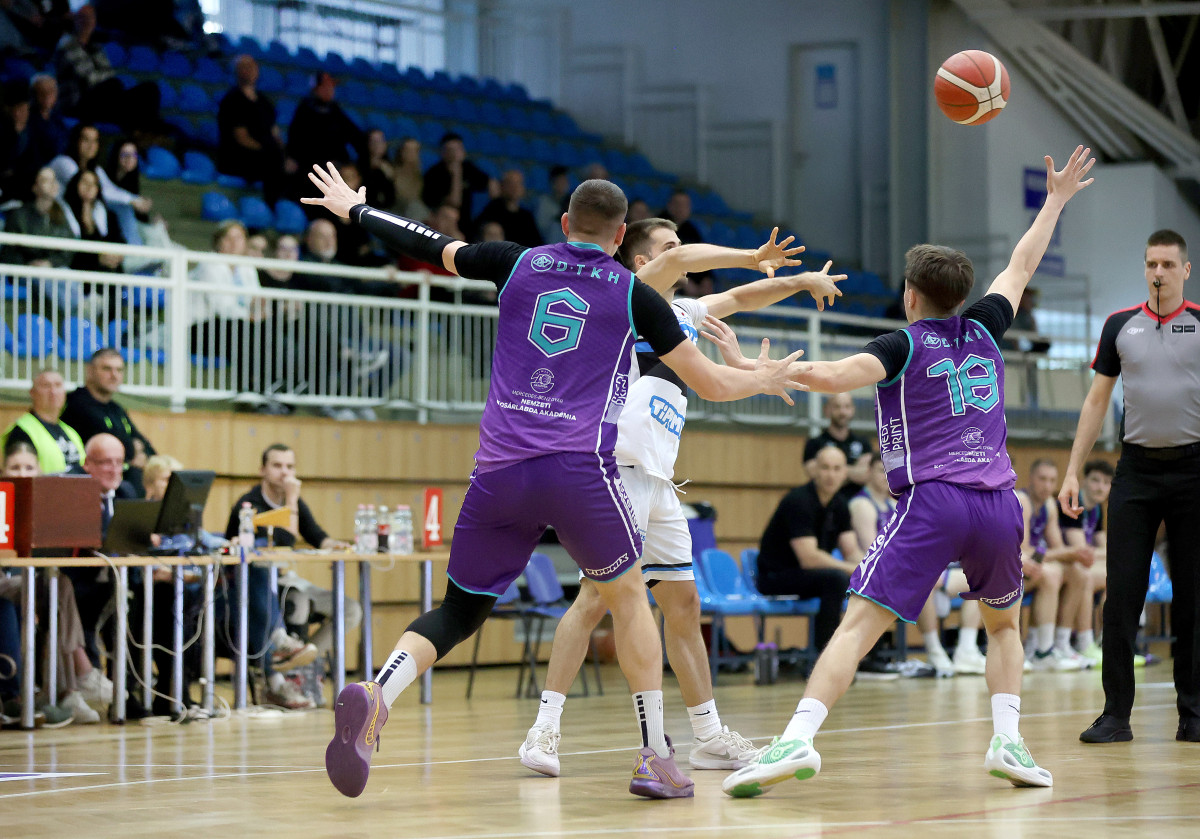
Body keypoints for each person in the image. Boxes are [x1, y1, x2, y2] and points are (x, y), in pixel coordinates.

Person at [303, 164, 808, 800]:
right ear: (621, 236)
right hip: (578, 474)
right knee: (629, 597)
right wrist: (761, 378)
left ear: (565, 223)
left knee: (459, 610)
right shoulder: (633, 293)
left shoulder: (514, 261)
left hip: (499, 472)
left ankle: (379, 691)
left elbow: (428, 242)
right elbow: (708, 382)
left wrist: (355, 210)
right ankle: (654, 756)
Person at [721, 145, 1095, 797]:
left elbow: (831, 375)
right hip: (999, 505)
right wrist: (1056, 199)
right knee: (1004, 626)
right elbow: (1021, 263)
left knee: (858, 625)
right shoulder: (987, 327)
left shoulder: (900, 344)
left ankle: (797, 739)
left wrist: (756, 369)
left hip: (933, 502)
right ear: (963, 296)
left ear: (910, 296)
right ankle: (1008, 741)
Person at [517, 217, 843, 778]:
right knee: (593, 601)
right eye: (670, 247)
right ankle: (542, 729)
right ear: (644, 261)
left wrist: (800, 280)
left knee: (684, 606)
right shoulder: (622, 298)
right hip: (615, 470)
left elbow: (741, 297)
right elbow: (689, 263)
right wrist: (748, 255)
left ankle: (708, 736)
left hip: (661, 482)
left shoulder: (685, 311)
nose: (683, 254)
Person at [1060, 228, 1200, 745]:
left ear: (1186, 270)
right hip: (1136, 472)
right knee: (1121, 595)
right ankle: (1115, 715)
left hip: (1193, 471)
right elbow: (1096, 401)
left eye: (1168, 264)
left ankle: (1194, 714)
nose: (1158, 272)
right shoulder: (1120, 325)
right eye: (1151, 264)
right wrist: (1072, 471)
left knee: (1193, 597)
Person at [755, 447, 864, 655]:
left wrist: (868, 570)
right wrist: (852, 569)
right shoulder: (798, 501)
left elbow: (851, 551)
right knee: (836, 580)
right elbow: (809, 559)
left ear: (844, 473)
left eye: (837, 469)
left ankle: (869, 656)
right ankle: (824, 656)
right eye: (825, 468)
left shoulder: (840, 504)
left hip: (809, 577)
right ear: (814, 470)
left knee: (865, 581)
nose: (831, 475)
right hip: (776, 576)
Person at [1016, 458, 1091, 671]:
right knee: (1051, 574)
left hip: (1033, 568)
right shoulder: (1022, 501)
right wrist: (1069, 552)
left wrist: (1075, 554)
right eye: (1042, 479)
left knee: (1078, 573)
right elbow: (1024, 552)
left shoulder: (1049, 504)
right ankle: (1043, 651)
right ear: (1030, 478)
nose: (1047, 485)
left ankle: (1061, 643)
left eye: (1052, 480)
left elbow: (1057, 548)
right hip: (1013, 569)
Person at [60, 347, 156, 494]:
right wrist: (134, 449)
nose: (114, 375)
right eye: (107, 369)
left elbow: (148, 448)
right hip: (91, 488)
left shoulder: (116, 409)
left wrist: (139, 451)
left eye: (119, 370)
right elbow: (124, 448)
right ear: (90, 371)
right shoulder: (77, 404)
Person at [187, 219, 262, 385]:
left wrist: (259, 313)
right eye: (228, 238)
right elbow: (221, 308)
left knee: (263, 332)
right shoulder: (209, 265)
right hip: (200, 329)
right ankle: (249, 386)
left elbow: (256, 300)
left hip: (235, 326)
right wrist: (250, 316)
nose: (234, 243)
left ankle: (270, 385)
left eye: (239, 238)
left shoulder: (248, 268)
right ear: (218, 241)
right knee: (242, 332)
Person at [1059, 459, 1112, 666]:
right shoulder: (1073, 504)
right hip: (1063, 563)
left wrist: (1098, 553)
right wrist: (1099, 553)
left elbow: (1107, 550)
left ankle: (1108, 642)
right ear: (1083, 481)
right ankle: (1085, 642)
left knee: (1118, 576)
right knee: (1087, 576)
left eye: (1106, 483)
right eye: (1095, 480)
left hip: (1079, 564)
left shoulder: (1097, 509)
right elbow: (1081, 551)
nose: (1101, 487)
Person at [217, 55, 287, 205]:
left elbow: (275, 132)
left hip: (267, 155)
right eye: (244, 67)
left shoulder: (264, 102)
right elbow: (241, 138)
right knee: (273, 161)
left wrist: (280, 150)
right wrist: (266, 150)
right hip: (238, 157)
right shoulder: (232, 100)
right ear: (237, 71)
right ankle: (270, 207)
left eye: (252, 67)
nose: (249, 71)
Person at [286, 72, 364, 201]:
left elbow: (356, 136)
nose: (330, 90)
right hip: (312, 168)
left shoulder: (335, 110)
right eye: (325, 86)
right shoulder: (304, 110)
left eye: (332, 86)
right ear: (316, 89)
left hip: (337, 166)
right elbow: (296, 143)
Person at [2, 369, 86, 474]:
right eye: (46, 386)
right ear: (32, 393)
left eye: (58, 385)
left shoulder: (71, 433)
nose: (53, 391)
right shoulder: (21, 431)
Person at [420, 132, 497, 237]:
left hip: (467, 223)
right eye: (450, 150)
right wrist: (456, 174)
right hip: (443, 224)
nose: (454, 154)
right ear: (443, 152)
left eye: (458, 149)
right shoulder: (434, 174)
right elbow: (454, 202)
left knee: (493, 228)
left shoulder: (468, 168)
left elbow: (490, 183)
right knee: (450, 216)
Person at [803, 392, 873, 499]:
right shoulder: (815, 443)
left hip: (857, 501)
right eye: (837, 407)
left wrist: (833, 471)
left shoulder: (863, 443)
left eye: (847, 406)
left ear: (853, 410)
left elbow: (867, 475)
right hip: (825, 502)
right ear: (827, 410)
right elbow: (814, 473)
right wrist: (853, 471)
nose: (842, 412)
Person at [0, 167, 74, 269]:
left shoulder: (61, 214)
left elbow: (68, 250)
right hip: (24, 271)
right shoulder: (19, 215)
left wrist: (50, 263)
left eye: (54, 180)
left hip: (52, 269)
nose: (52, 184)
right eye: (46, 180)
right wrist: (29, 266)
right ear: (35, 187)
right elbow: (10, 251)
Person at [475, 169, 543, 248]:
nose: (515, 188)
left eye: (518, 183)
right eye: (510, 184)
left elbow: (537, 244)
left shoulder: (526, 216)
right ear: (502, 186)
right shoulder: (491, 211)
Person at [27, 74, 69, 174]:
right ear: (34, 95)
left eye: (51, 91)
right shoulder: (28, 118)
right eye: (42, 92)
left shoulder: (57, 118)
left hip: (58, 164)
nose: (47, 96)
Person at [390, 136, 427, 219]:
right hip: (397, 211)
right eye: (408, 150)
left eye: (414, 151)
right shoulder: (391, 172)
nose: (411, 154)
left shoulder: (420, 176)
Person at [535, 164, 570, 244]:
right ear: (553, 182)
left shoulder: (570, 202)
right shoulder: (543, 202)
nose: (563, 184)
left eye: (565, 181)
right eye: (560, 181)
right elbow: (541, 228)